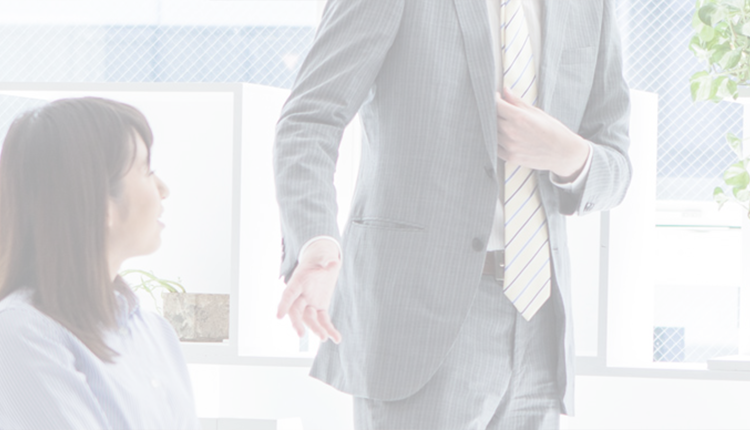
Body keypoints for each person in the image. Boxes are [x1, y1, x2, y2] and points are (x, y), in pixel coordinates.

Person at [274, 0, 631, 428]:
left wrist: (568, 154)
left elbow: (616, 165)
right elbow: (311, 119)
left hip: (540, 322)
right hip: (418, 317)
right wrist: (315, 239)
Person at [0, 97, 200, 429]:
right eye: (147, 170)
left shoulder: (156, 332)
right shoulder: (21, 334)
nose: (163, 189)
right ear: (99, 201)